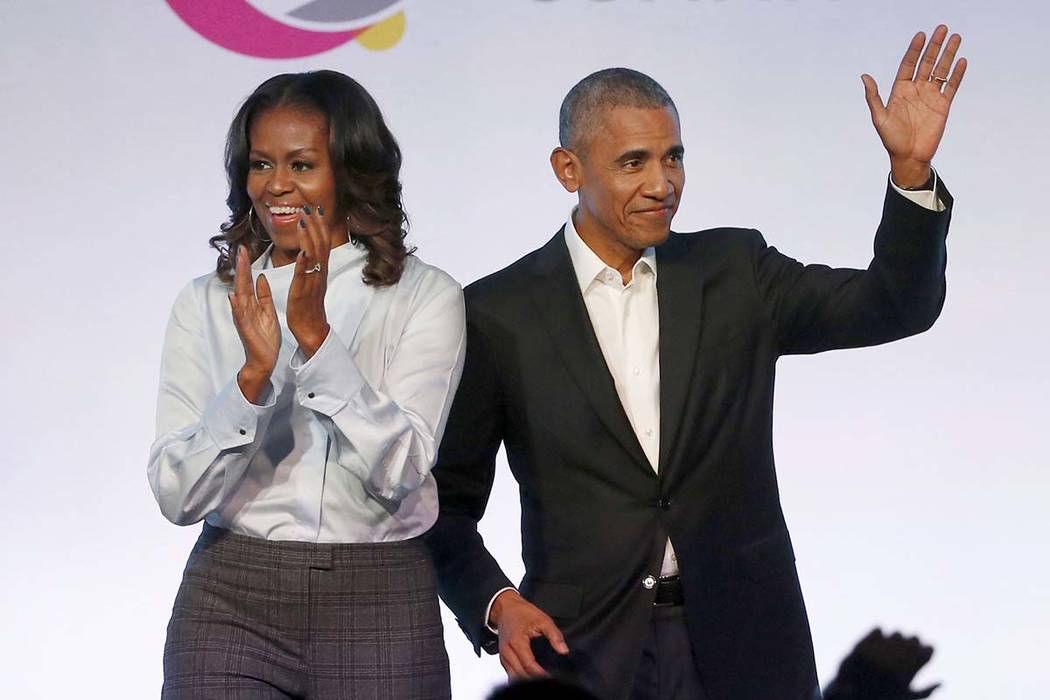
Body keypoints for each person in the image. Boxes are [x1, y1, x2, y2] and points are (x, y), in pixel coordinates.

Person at [424, 26, 966, 700]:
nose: (663, 183)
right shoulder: (495, 312)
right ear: (569, 169)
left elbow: (893, 306)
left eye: (674, 157)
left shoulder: (736, 271)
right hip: (585, 650)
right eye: (633, 163)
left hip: (747, 639)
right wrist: (497, 604)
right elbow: (441, 506)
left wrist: (910, 174)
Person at [147, 70, 463, 699]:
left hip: (378, 595)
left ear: (350, 171)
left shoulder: (424, 295)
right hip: (232, 591)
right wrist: (252, 381)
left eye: (302, 163)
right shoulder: (207, 303)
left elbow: (401, 470)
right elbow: (177, 495)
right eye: (261, 164)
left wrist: (318, 344)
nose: (278, 186)